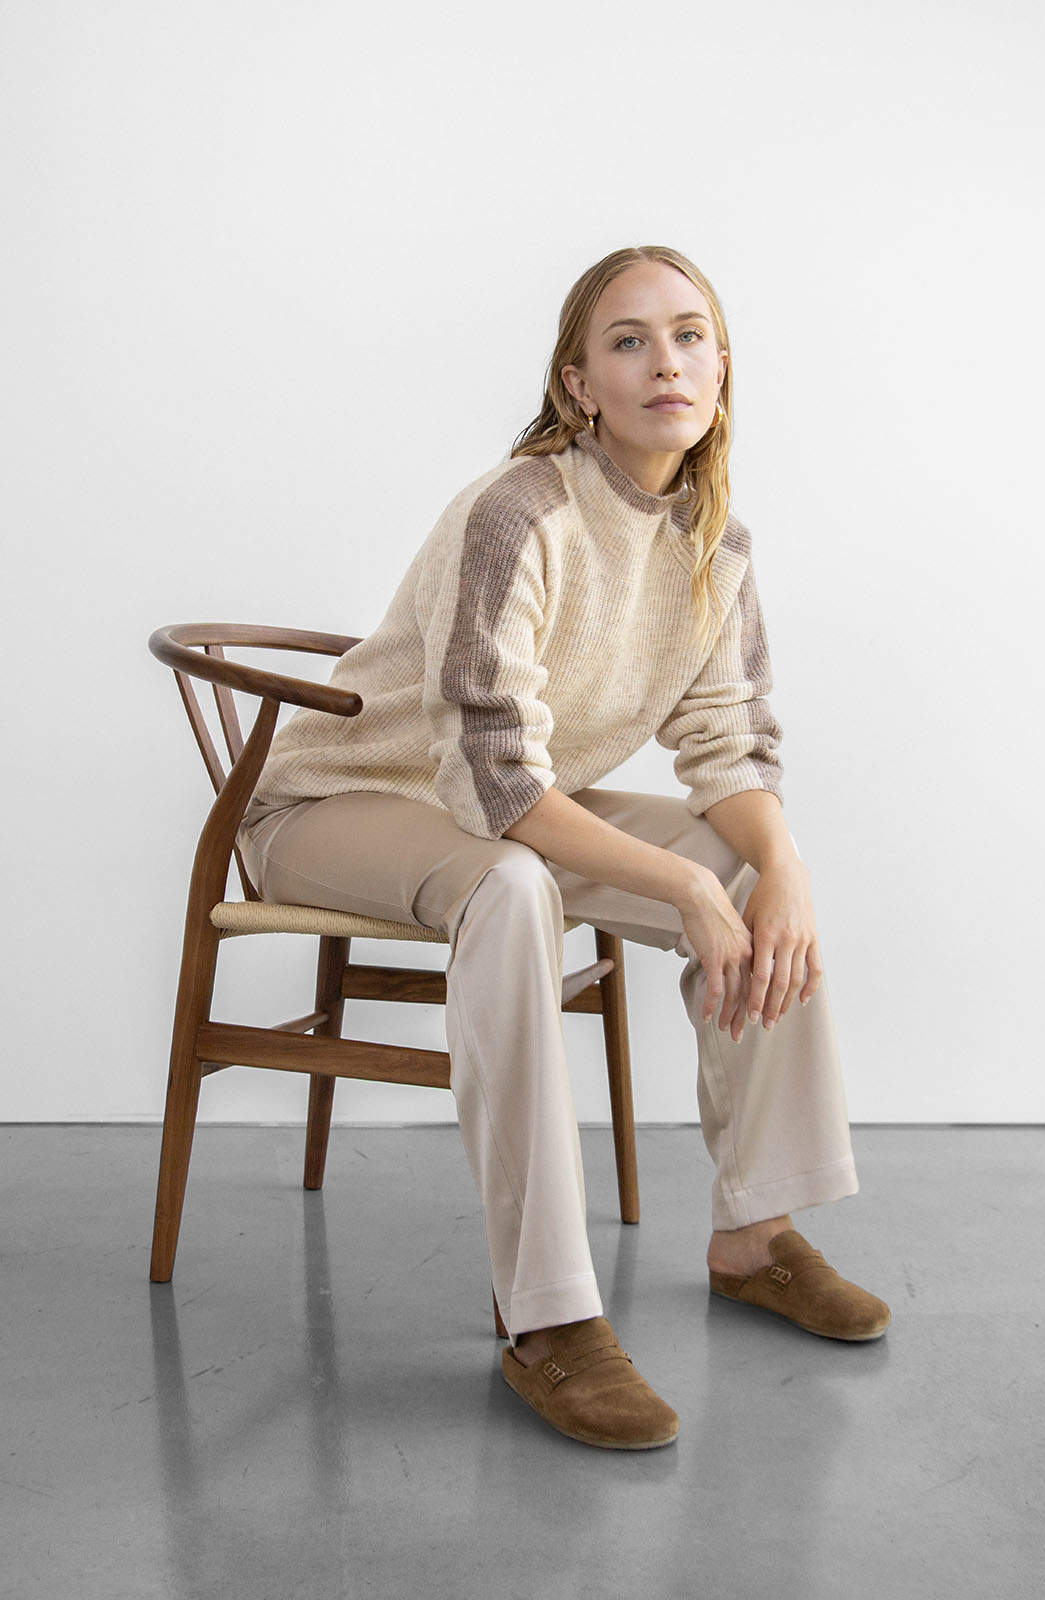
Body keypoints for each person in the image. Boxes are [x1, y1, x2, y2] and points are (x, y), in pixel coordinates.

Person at [236, 244, 890, 1451]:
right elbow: (494, 778)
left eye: (688, 334)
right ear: (578, 381)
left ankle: (755, 1236)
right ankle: (546, 1319)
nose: (665, 361)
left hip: (496, 812)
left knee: (750, 873)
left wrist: (773, 871)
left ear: (721, 364)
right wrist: (680, 881)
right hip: (332, 809)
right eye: (628, 340)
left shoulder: (712, 541)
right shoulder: (517, 510)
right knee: (518, 884)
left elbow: (726, 740)